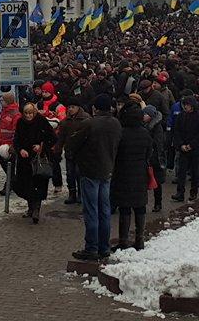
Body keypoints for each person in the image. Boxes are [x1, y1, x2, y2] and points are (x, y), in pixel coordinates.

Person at [69, 94, 122, 261]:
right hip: (107, 170)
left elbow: (72, 144)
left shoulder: (89, 124)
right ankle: (104, 247)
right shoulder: (116, 123)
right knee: (104, 210)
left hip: (90, 170)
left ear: (95, 108)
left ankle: (91, 247)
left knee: (91, 211)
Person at [110, 102, 153, 250]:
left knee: (125, 208)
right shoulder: (145, 133)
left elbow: (115, 153)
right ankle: (139, 240)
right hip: (140, 173)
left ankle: (123, 240)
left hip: (123, 173)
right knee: (140, 207)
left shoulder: (121, 133)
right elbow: (149, 153)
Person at [12, 102, 56, 223]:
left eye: (30, 113)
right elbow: (16, 139)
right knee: (24, 184)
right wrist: (20, 149)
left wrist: (41, 147)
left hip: (39, 158)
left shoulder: (41, 121)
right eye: (26, 113)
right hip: (25, 159)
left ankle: (36, 209)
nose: (28, 116)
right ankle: (31, 207)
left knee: (39, 184)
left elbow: (52, 138)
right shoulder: (20, 122)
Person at [54, 96, 90, 204]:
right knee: (70, 174)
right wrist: (58, 150)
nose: (70, 109)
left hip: (82, 152)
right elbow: (61, 138)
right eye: (69, 107)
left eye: (73, 107)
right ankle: (72, 194)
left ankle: (81, 194)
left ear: (78, 107)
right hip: (70, 152)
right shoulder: (65, 121)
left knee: (80, 174)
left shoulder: (86, 119)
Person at [170, 95, 199, 202]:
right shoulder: (181, 116)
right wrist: (181, 145)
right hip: (183, 148)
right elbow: (177, 131)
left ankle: (193, 192)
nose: (186, 107)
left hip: (195, 149)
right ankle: (180, 193)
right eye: (184, 105)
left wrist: (191, 145)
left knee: (195, 172)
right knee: (181, 172)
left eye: (188, 105)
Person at [0, 90, 21, 194]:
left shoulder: (15, 115)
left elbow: (16, 132)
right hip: (2, 143)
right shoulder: (5, 112)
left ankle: (10, 183)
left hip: (9, 145)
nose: (1, 102)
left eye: (2, 100)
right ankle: (12, 182)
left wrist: (13, 145)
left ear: (8, 101)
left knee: (9, 165)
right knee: (7, 164)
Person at [142, 104, 166, 212]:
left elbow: (158, 144)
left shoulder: (157, 127)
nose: (143, 116)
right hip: (147, 156)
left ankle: (158, 203)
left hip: (155, 158)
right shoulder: (145, 125)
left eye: (145, 114)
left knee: (156, 181)